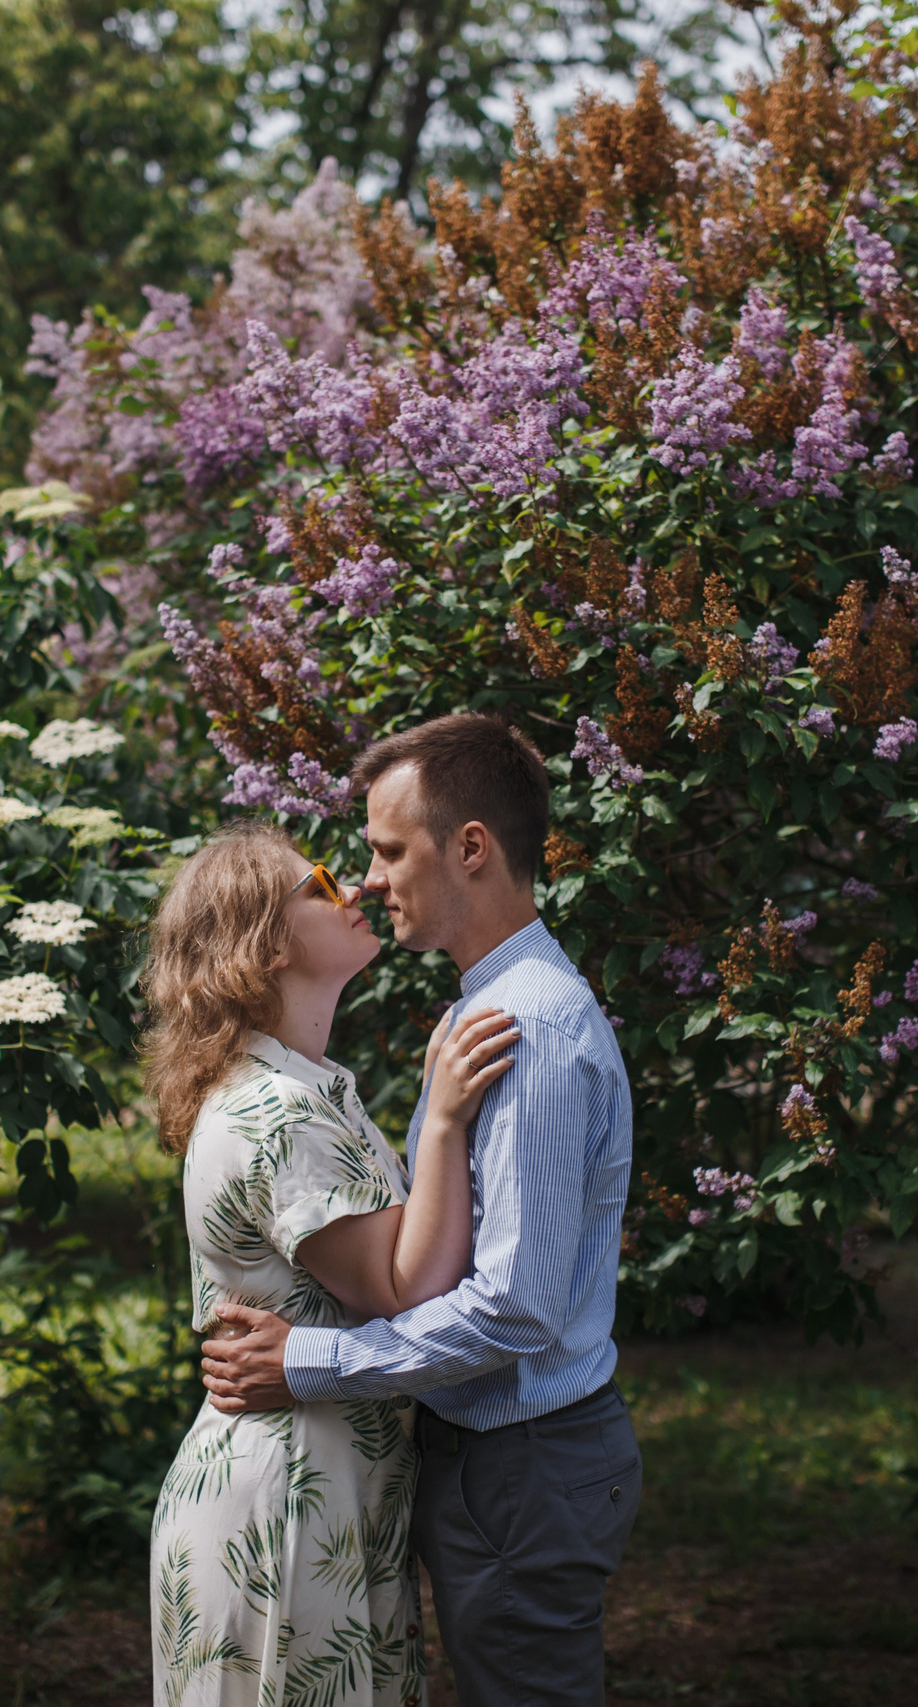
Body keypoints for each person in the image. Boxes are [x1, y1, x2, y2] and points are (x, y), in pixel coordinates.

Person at [198, 713, 641, 1707]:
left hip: (525, 1465)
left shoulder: (522, 1024)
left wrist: (308, 1363)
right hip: (511, 1465)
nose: (367, 879)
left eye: (389, 850)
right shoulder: (494, 1008)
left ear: (470, 848)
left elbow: (514, 1308)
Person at [140, 819, 521, 1707]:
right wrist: (444, 1120)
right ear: (264, 942)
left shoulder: (303, 1090)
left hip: (322, 1497)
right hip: (288, 1509)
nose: (352, 886)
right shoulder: (279, 1110)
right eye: (317, 879)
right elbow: (403, 1287)